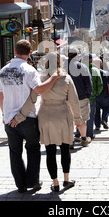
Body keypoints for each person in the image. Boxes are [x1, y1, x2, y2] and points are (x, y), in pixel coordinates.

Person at [0, 39, 64, 193]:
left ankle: (20, 185)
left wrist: (4, 113)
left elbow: (0, 96)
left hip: (9, 119)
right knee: (33, 149)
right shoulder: (29, 70)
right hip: (28, 118)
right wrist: (53, 78)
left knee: (15, 153)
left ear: (15, 51)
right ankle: (33, 181)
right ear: (28, 53)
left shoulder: (3, 70)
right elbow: (39, 90)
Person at [38, 52, 82, 192]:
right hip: (62, 114)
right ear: (59, 62)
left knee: (50, 150)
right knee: (64, 148)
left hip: (45, 114)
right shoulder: (66, 78)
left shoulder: (41, 77)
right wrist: (78, 119)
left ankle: (55, 182)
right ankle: (66, 179)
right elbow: (74, 100)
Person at [67, 47, 92, 147]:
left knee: (69, 119)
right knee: (81, 119)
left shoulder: (62, 67)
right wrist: (88, 95)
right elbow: (89, 83)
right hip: (81, 97)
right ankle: (84, 139)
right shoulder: (82, 67)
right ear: (77, 55)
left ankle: (70, 140)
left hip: (67, 98)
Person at [84, 53, 103, 138]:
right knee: (90, 116)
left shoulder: (79, 69)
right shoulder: (95, 70)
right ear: (91, 60)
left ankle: (79, 132)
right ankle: (89, 134)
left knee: (80, 115)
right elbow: (100, 84)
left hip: (80, 96)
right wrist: (96, 93)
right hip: (91, 96)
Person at [94, 57, 109, 130]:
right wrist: (108, 92)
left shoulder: (91, 73)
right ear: (101, 64)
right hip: (104, 94)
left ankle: (97, 125)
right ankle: (104, 119)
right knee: (107, 107)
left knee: (96, 110)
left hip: (95, 95)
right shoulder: (105, 73)